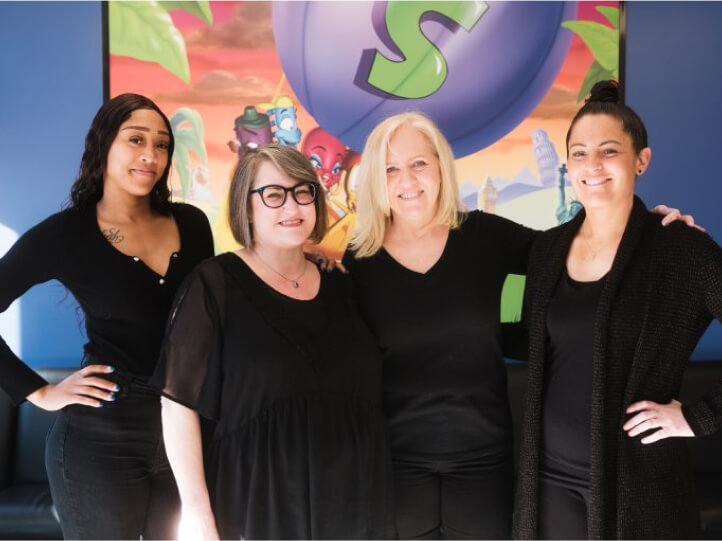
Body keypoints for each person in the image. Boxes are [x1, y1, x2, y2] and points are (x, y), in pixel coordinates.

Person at [339, 110, 698, 540]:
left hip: (483, 464)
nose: (407, 179)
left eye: (419, 163)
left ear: (440, 166)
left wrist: (651, 228)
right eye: (390, 168)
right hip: (395, 466)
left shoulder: (485, 236)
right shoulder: (360, 262)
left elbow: (581, 249)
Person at [513, 80, 722, 540]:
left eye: (609, 151)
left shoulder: (681, 250)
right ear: (567, 165)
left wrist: (696, 417)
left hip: (638, 484)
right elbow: (513, 327)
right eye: (580, 153)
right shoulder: (546, 251)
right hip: (548, 481)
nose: (593, 166)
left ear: (640, 161)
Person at [153, 144, 394, 540]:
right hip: (259, 503)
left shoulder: (342, 283)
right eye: (273, 194)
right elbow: (177, 404)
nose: (292, 206)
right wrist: (196, 512)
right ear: (246, 207)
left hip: (356, 499)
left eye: (303, 192)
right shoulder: (214, 284)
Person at [0, 93, 214, 539]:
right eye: (135, 139)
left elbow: (216, 311)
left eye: (161, 145)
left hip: (188, 429)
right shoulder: (66, 234)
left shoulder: (193, 225)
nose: (150, 156)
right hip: (101, 437)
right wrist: (39, 392)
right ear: (103, 145)